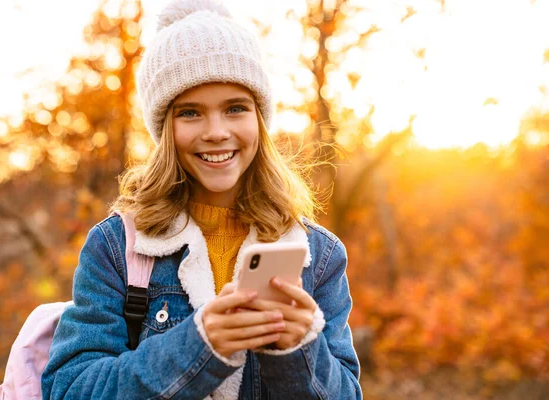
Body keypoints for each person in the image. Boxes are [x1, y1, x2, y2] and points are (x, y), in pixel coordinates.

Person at [41, 0, 362, 398]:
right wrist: (199, 344)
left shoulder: (319, 254)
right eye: (190, 113)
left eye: (235, 108)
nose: (215, 131)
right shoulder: (117, 247)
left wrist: (300, 348)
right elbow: (70, 389)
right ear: (164, 128)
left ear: (259, 120)